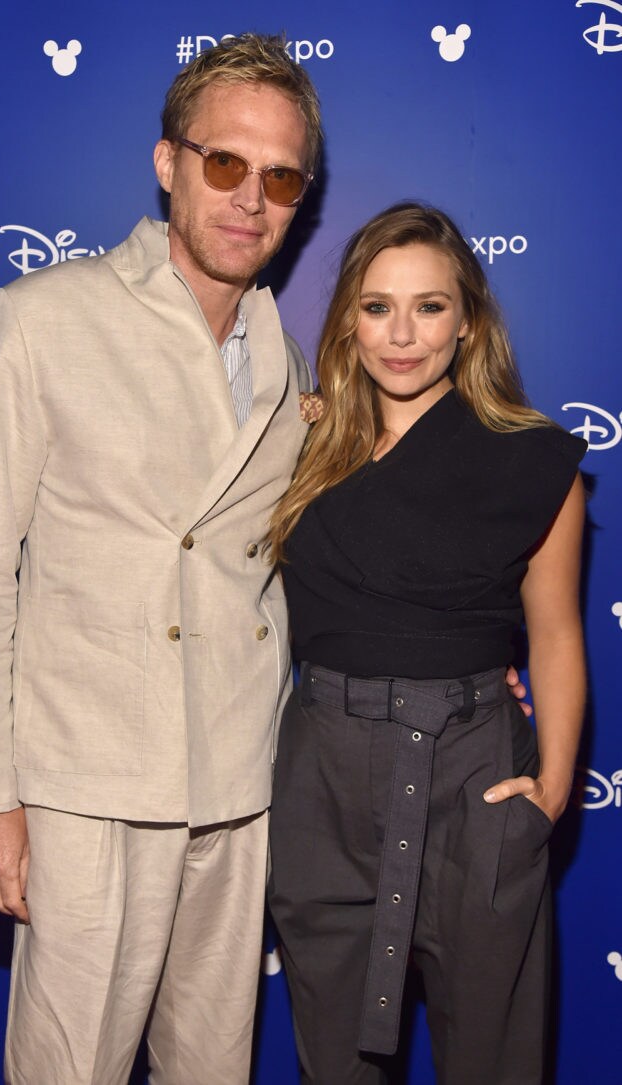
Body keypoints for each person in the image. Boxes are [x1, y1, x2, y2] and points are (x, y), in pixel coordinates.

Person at [0, 33, 321, 1085]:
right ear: (168, 162)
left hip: (238, 779)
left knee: (213, 1066)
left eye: (281, 176)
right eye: (225, 163)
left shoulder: (289, 362)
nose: (251, 198)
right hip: (86, 781)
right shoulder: (43, 318)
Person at [267, 202, 586, 1085]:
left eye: (429, 306)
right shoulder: (297, 441)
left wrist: (554, 790)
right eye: (376, 307)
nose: (401, 334)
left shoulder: (533, 462)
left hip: (475, 778)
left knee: (494, 1058)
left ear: (468, 318)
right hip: (322, 784)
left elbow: (557, 633)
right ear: (347, 320)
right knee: (332, 1061)